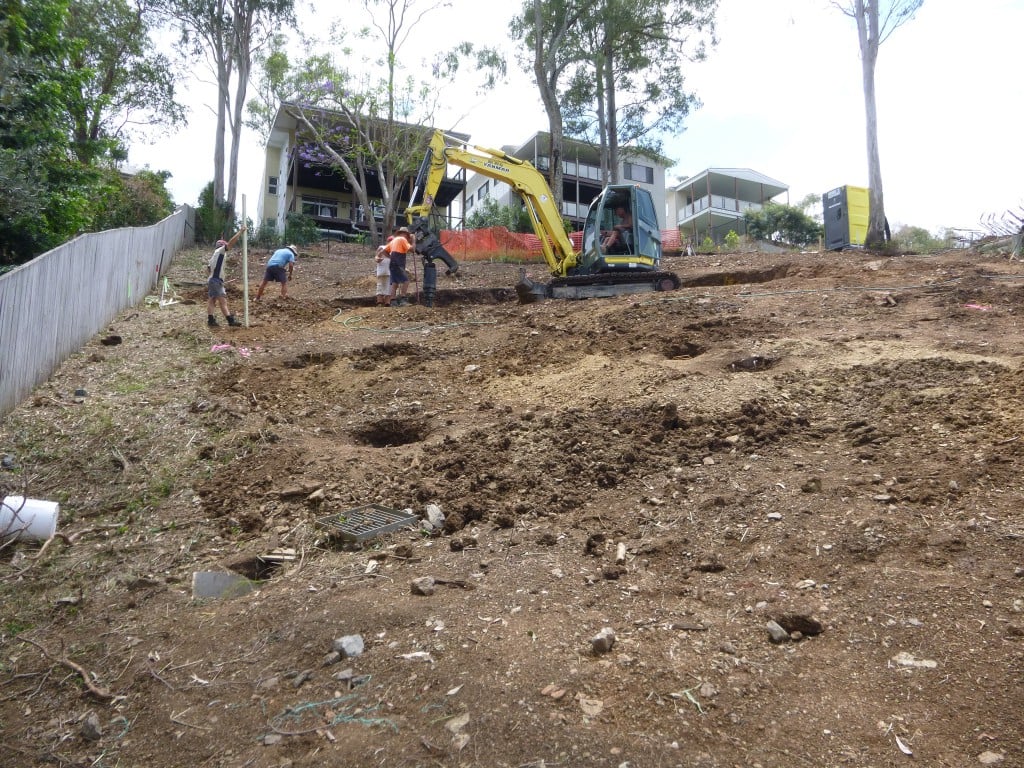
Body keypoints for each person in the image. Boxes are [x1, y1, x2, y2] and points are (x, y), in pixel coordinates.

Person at [206, 226, 246, 327]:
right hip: (215, 281)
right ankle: (230, 320)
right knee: (222, 301)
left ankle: (210, 320)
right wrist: (240, 232)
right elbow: (230, 243)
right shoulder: (220, 251)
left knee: (212, 300)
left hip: (212, 280)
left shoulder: (213, 255)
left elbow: (207, 269)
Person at [387, 227, 414, 306]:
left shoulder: (394, 240)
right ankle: (403, 300)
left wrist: (390, 258)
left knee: (395, 282)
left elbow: (384, 251)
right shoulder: (402, 239)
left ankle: (393, 301)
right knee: (406, 281)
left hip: (393, 262)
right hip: (398, 262)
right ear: (405, 234)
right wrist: (413, 241)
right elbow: (412, 249)